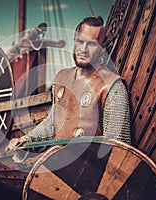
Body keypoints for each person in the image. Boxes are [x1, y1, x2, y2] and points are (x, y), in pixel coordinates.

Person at [8, 16, 131, 151]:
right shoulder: (62, 77)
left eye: (91, 44)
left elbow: (118, 148)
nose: (83, 49)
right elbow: (52, 123)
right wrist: (26, 139)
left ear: (102, 48)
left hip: (91, 167)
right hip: (57, 163)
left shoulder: (112, 86)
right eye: (80, 41)